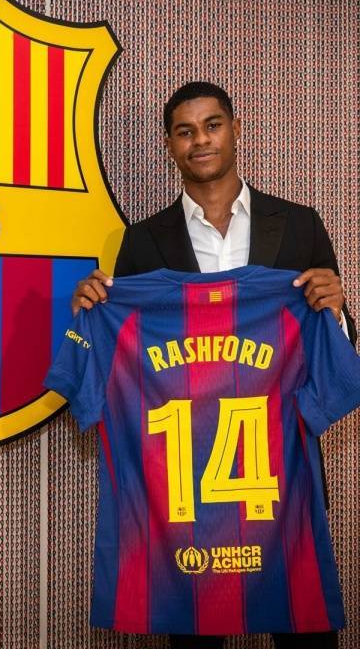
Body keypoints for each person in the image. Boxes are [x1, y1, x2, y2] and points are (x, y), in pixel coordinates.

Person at [71, 81, 355, 649]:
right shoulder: (141, 242)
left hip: (281, 476)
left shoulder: (299, 224)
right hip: (184, 487)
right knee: (195, 637)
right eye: (185, 131)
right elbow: (127, 358)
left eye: (212, 125)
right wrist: (92, 314)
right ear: (170, 146)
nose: (200, 140)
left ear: (235, 130)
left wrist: (338, 310)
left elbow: (336, 349)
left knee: (303, 631)